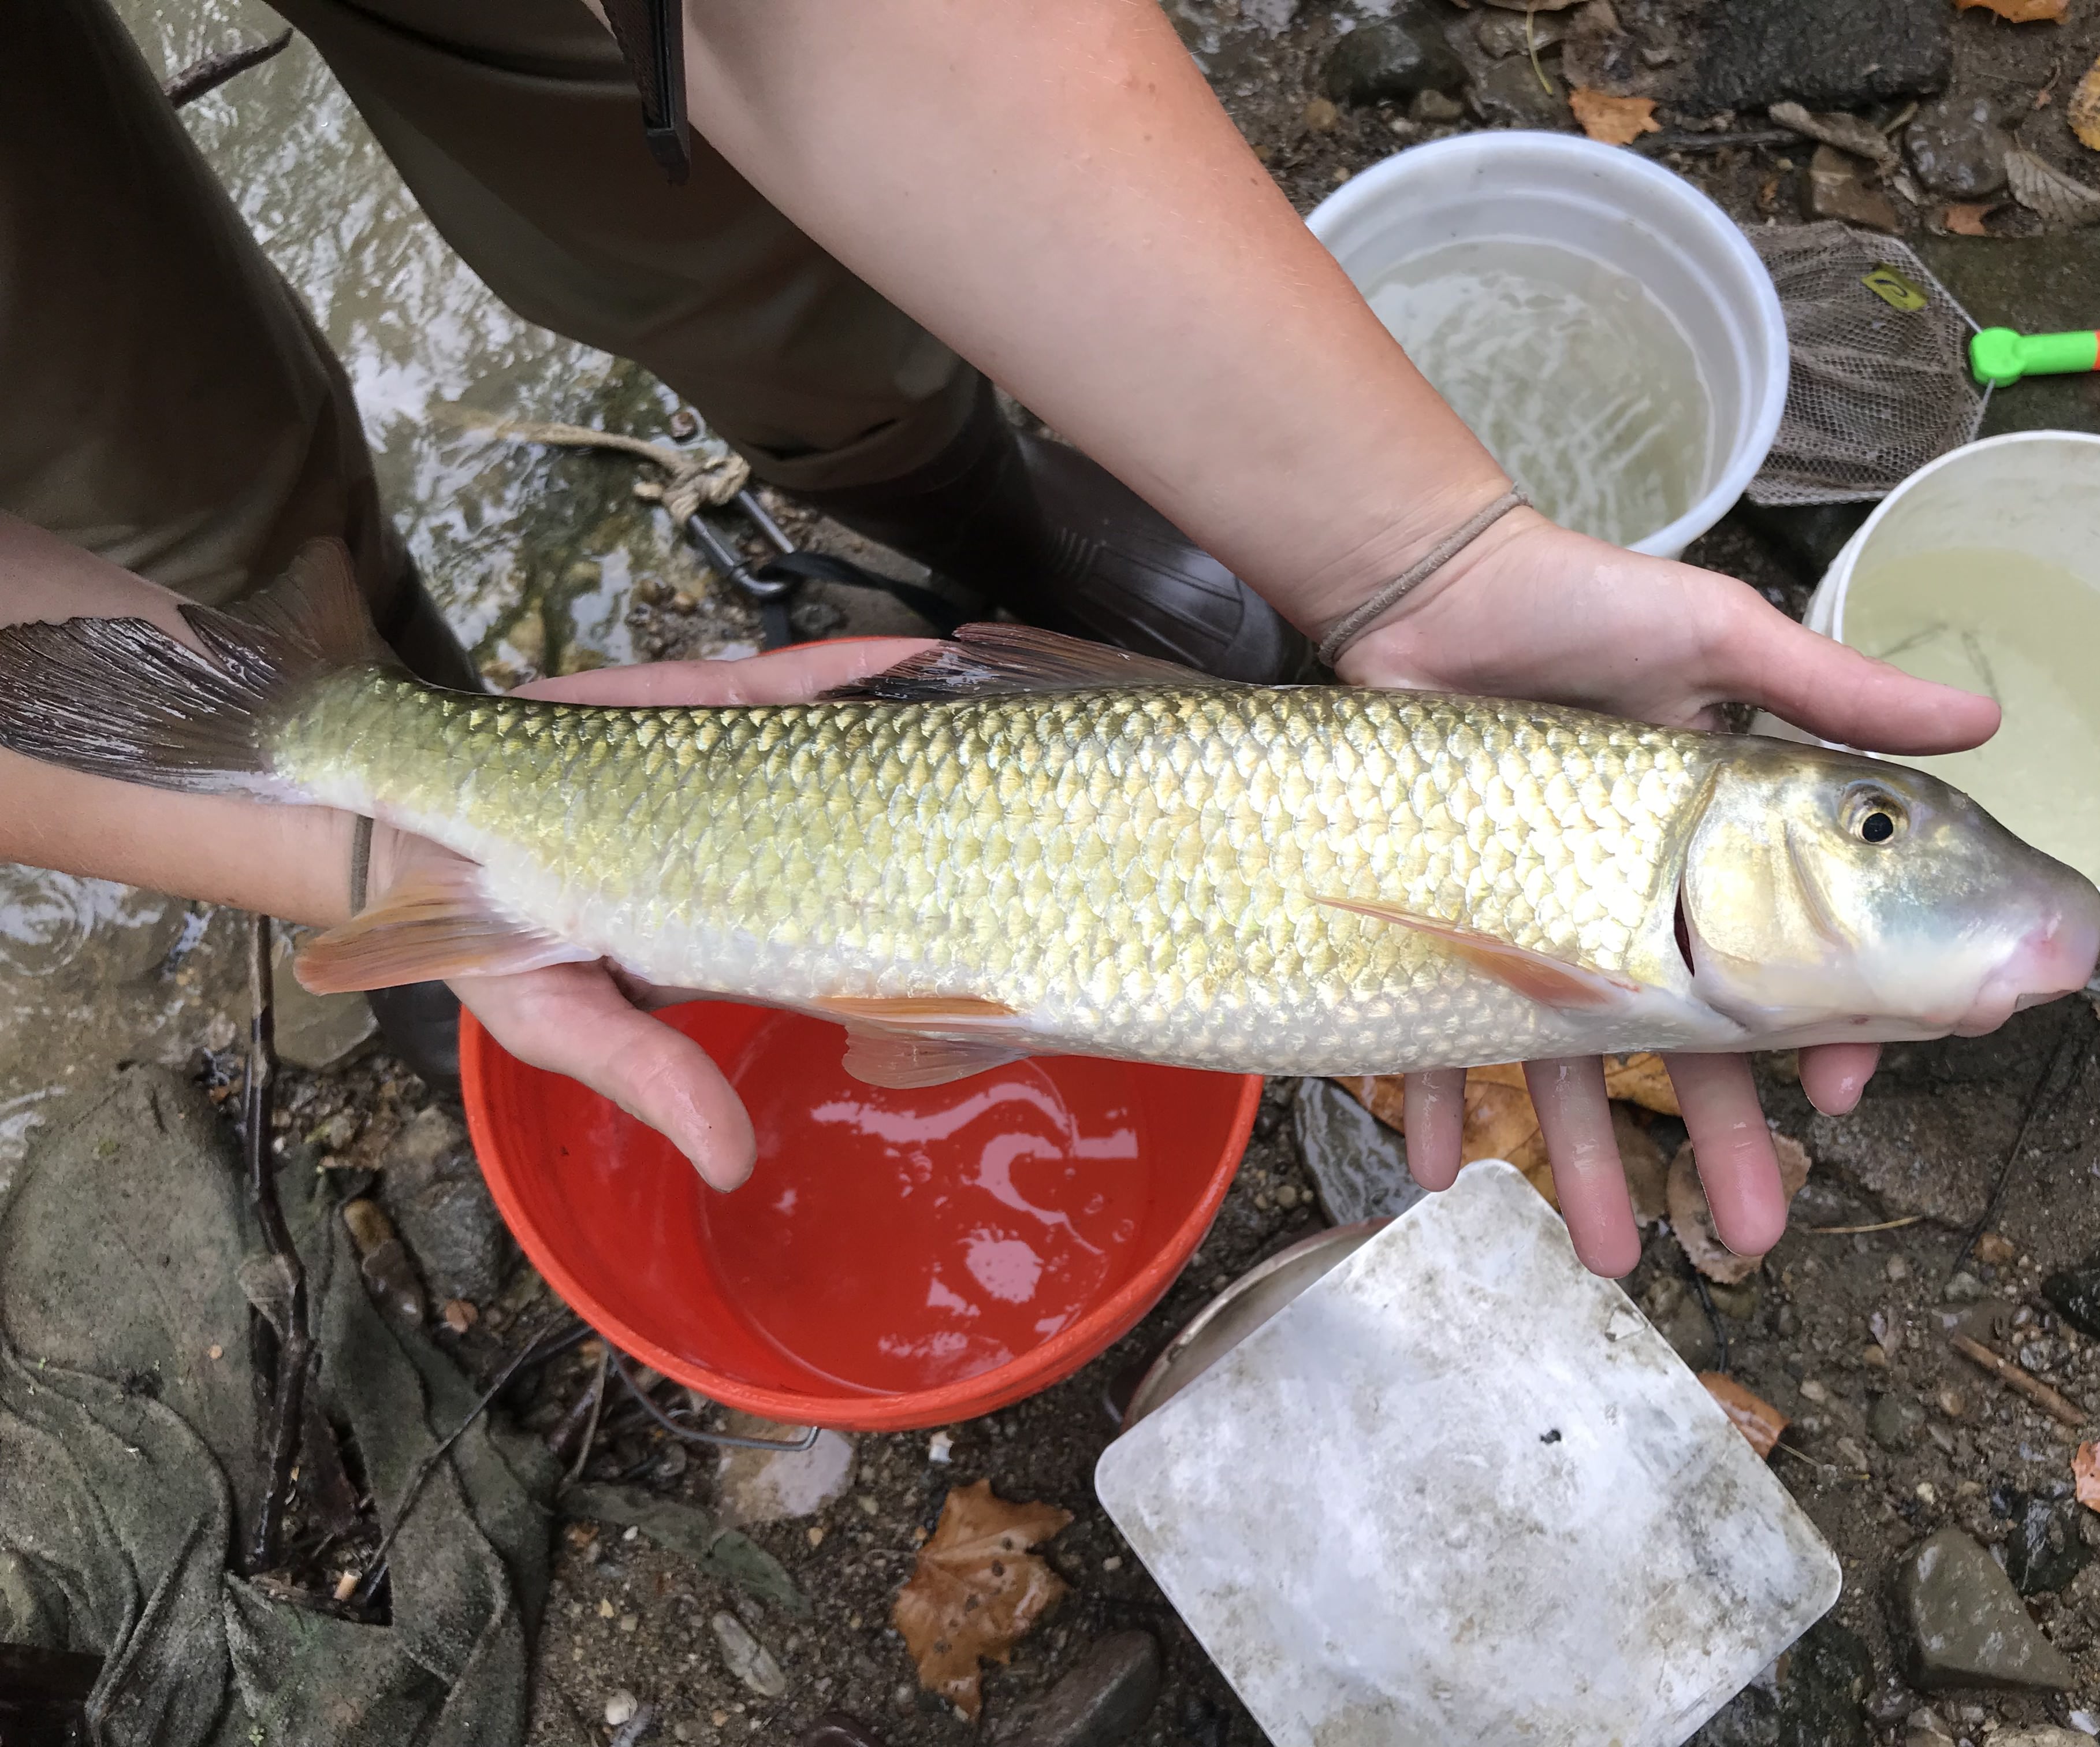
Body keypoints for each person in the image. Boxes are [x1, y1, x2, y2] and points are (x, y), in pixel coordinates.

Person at [0, 0, 1997, 1278]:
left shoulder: (1630, 914)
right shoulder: (1618, 918)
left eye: (1875, 828)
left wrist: (1413, 553)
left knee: (697, 200)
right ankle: (356, 748)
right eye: (1878, 827)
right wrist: (335, 858)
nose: (1895, 844)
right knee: (148, 448)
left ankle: (419, 739)